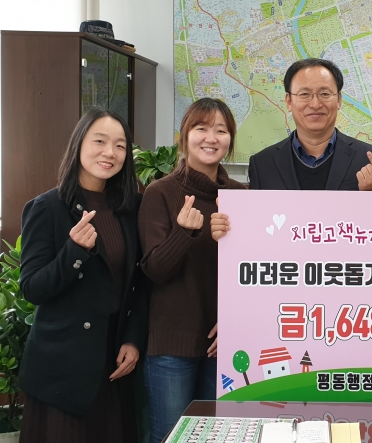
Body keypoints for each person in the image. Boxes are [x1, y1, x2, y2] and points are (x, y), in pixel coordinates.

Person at [19, 109, 147, 443]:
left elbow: (140, 283)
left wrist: (133, 339)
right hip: (64, 368)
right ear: (78, 144)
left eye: (120, 145)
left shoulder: (132, 206)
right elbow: (32, 288)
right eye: (100, 141)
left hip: (114, 360)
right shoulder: (47, 207)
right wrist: (74, 251)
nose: (110, 152)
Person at [138, 98, 245, 443]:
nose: (211, 138)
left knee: (220, 435)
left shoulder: (241, 196)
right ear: (184, 136)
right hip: (172, 344)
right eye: (201, 128)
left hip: (226, 344)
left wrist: (235, 321)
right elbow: (154, 270)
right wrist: (184, 233)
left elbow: (254, 273)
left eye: (221, 130)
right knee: (170, 436)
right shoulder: (160, 192)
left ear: (230, 140)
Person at [247, 58, 372, 191]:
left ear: (339, 99)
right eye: (304, 94)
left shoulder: (368, 159)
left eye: (325, 94)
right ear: (289, 101)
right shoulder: (262, 164)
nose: (315, 104)